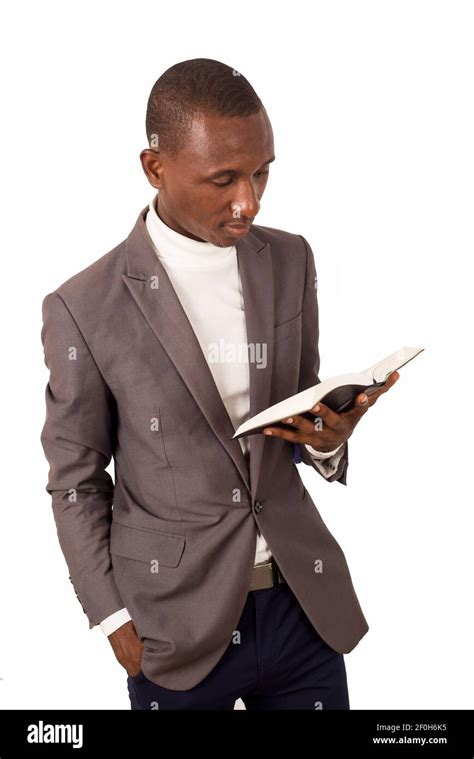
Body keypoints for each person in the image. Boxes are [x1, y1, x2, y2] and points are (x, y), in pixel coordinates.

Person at [40, 58, 399, 710]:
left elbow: (297, 406)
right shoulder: (83, 307)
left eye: (262, 172)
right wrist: (114, 619)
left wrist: (327, 438)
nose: (250, 201)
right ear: (155, 169)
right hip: (174, 625)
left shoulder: (290, 258)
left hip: (301, 607)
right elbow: (75, 481)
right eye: (224, 179)